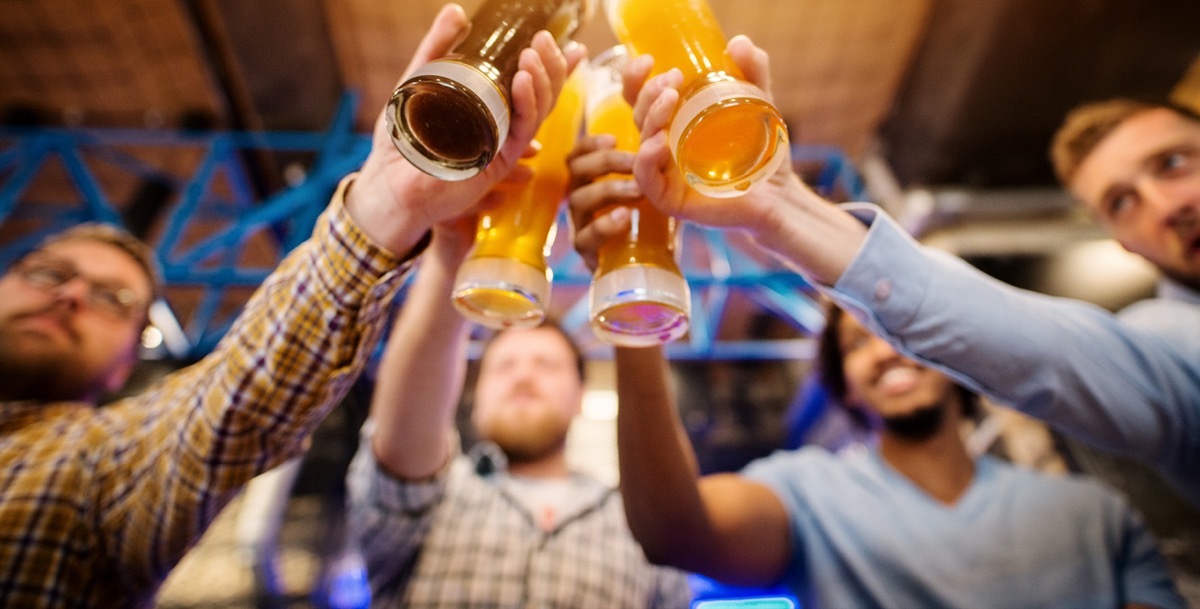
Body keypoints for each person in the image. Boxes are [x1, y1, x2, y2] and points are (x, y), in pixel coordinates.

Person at [0, 2, 582, 609]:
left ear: (127, 363)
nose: (68, 296)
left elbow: (238, 401)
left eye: (110, 298)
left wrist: (391, 203)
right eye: (49, 272)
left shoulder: (92, 469)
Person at [575, 41, 1200, 510]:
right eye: (1121, 201)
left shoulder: (1084, 514)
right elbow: (1054, 357)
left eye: (1174, 163)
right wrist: (778, 212)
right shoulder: (1172, 345)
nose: (1167, 207)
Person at [589, 284, 1185, 607]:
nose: (883, 351)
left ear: (956, 354)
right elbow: (673, 533)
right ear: (844, 382)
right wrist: (636, 312)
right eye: (854, 345)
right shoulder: (808, 495)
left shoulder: (1093, 516)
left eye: (898, 330)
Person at [344, 209, 691, 608]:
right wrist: (452, 250)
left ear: (580, 397)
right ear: (474, 400)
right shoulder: (435, 498)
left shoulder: (641, 523)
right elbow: (400, 436)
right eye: (505, 366)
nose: (523, 376)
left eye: (546, 365)